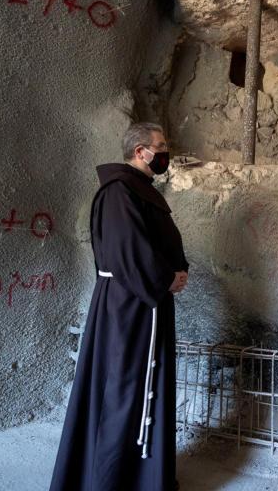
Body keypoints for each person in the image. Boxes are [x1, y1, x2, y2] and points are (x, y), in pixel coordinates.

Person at [50, 122, 189, 491]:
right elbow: (129, 251)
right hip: (129, 305)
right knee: (124, 389)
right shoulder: (118, 192)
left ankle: (144, 477)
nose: (165, 153)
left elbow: (156, 243)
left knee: (142, 385)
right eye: (160, 146)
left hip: (146, 303)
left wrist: (178, 271)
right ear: (140, 151)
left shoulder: (140, 190)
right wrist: (165, 280)